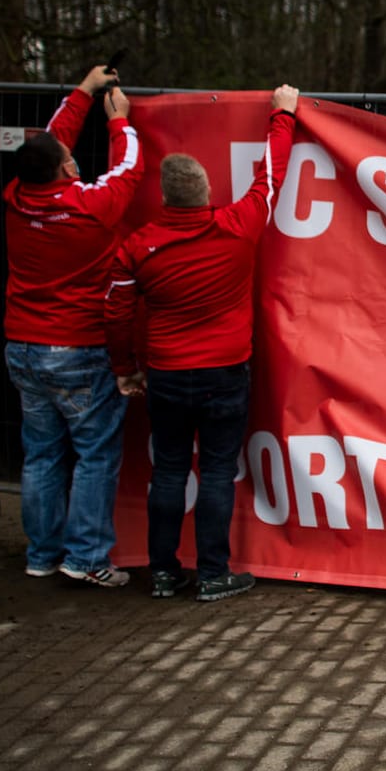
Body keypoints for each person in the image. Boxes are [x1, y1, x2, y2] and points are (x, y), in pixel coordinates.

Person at [104, 85, 298, 602]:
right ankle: (214, 573)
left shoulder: (137, 247)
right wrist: (283, 114)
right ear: (207, 190)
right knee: (216, 470)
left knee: (167, 471)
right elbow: (271, 174)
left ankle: (163, 573)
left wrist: (125, 367)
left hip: (165, 374)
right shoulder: (236, 226)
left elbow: (116, 312)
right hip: (224, 374)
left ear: (165, 196)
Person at [4, 65, 143, 587]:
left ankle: (41, 555)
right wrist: (119, 121)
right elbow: (129, 167)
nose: (71, 155)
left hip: (23, 347)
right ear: (65, 171)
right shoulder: (91, 206)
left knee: (40, 453)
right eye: (67, 158)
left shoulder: (18, 197)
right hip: (79, 350)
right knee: (95, 456)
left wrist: (83, 91)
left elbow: (52, 139)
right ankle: (85, 559)